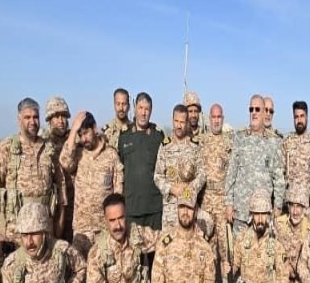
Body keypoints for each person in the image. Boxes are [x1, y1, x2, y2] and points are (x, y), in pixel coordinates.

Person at [0, 97, 66, 250]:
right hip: (17, 233)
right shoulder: (6, 149)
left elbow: (60, 184)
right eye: (27, 117)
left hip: (46, 230)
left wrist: (60, 220)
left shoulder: (48, 149)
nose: (32, 122)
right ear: (19, 120)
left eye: (35, 117)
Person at [60, 111, 123, 257]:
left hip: (104, 228)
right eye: (80, 135)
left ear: (94, 128)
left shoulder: (111, 155)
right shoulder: (78, 154)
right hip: (82, 229)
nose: (84, 139)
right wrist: (73, 130)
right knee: (81, 267)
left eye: (86, 133)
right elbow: (65, 162)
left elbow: (118, 192)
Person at [225, 94, 285, 235]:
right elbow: (231, 173)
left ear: (264, 113)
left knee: (263, 249)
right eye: (251, 109)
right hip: (241, 212)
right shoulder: (240, 139)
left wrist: (277, 207)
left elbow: (278, 178)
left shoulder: (273, 142)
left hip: (262, 215)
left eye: (257, 109)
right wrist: (228, 203)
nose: (254, 113)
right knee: (239, 249)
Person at [118, 92, 165, 263]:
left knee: (154, 258)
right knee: (134, 258)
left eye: (147, 109)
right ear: (135, 108)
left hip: (153, 208)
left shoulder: (158, 137)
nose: (143, 113)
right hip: (132, 208)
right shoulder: (124, 137)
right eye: (140, 108)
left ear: (151, 111)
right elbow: (120, 168)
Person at [154, 104, 205, 230]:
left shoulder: (195, 146)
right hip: (170, 210)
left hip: (189, 208)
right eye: (176, 121)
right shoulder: (165, 146)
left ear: (187, 123)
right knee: (169, 242)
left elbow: (202, 175)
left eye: (182, 122)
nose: (178, 125)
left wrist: (190, 188)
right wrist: (171, 189)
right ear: (172, 120)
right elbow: (157, 176)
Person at [200, 103, 233, 263]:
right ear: (209, 118)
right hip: (206, 202)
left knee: (225, 248)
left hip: (222, 202)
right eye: (213, 117)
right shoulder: (201, 142)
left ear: (223, 118)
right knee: (207, 247)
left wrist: (230, 204)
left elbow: (233, 174)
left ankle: (226, 279)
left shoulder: (229, 143)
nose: (216, 120)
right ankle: (210, 279)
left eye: (219, 117)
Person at [273, 184, 310, 283]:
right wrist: (284, 267)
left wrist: (294, 267)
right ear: (288, 207)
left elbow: (309, 263)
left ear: (304, 208)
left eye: (299, 206)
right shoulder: (278, 224)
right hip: (280, 276)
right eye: (292, 206)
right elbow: (271, 251)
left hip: (299, 279)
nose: (295, 212)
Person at [43, 96, 75, 242]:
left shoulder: (74, 138)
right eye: (56, 116)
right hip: (54, 206)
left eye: (63, 116)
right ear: (49, 119)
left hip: (74, 203)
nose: (61, 121)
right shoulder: (43, 143)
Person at [282, 100, 310, 219]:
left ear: (307, 117)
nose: (299, 120)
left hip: (307, 206)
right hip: (289, 205)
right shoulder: (287, 142)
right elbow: (281, 172)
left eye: (302, 116)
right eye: (296, 117)